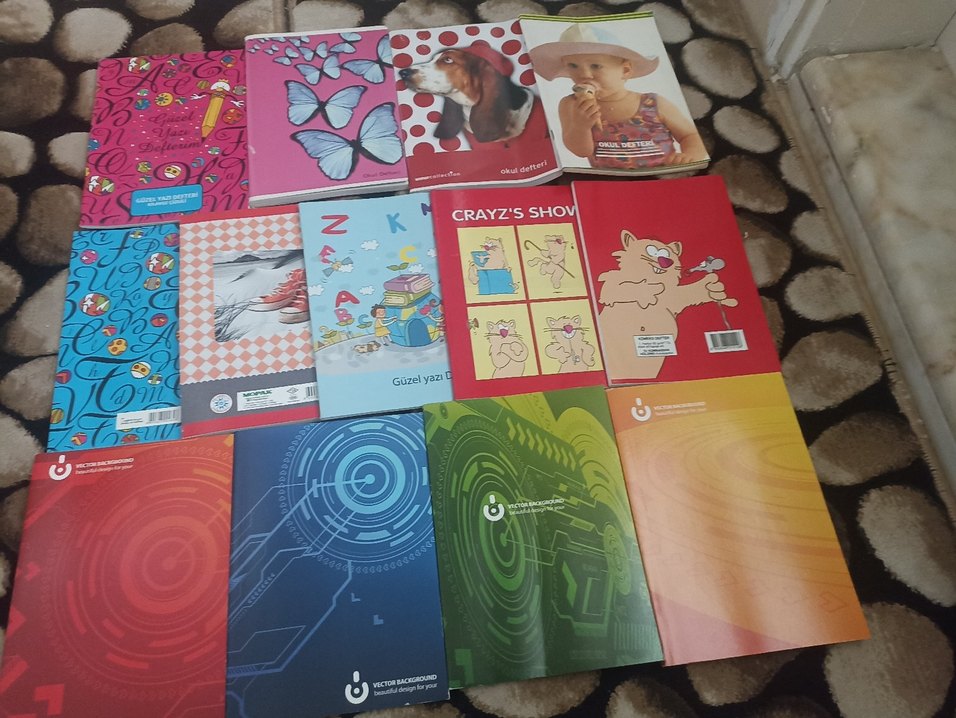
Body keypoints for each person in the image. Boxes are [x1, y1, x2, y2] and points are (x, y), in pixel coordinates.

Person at [529, 23, 707, 169]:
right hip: (608, 183)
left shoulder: (653, 103)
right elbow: (581, 152)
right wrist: (581, 126)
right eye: (573, 66)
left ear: (625, 70)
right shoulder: (570, 105)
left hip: (662, 175)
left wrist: (689, 156)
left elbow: (689, 135)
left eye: (596, 66)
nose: (584, 74)